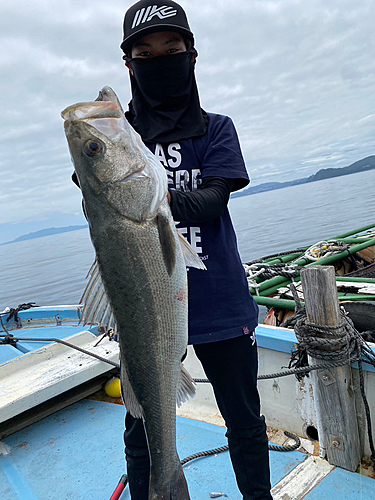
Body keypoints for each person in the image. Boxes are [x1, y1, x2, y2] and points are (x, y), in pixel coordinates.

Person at [119, 2, 273, 499]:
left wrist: (147, 200)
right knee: (141, 430)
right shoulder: (119, 137)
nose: (159, 60)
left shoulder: (217, 128)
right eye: (146, 54)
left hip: (222, 305)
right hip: (146, 309)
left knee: (245, 422)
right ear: (128, 65)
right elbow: (97, 197)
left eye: (172, 50)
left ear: (192, 55)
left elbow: (213, 200)